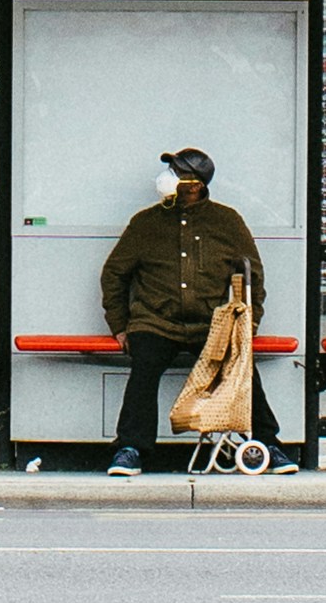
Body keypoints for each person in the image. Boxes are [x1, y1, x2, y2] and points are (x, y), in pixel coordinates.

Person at [98, 144, 299, 475]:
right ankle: (130, 448)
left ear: (195, 184)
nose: (168, 179)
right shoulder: (145, 223)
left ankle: (267, 443)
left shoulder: (227, 221)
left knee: (242, 370)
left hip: (211, 324)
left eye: (176, 174)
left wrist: (249, 327)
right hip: (155, 322)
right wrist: (120, 325)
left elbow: (253, 276)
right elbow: (114, 273)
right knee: (144, 369)